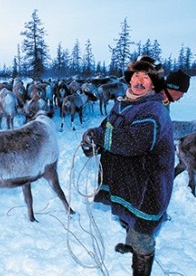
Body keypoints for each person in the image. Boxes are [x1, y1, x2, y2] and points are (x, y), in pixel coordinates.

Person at [81, 56, 174, 276]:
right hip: (129, 180)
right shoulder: (124, 103)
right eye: (136, 76)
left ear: (154, 84)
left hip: (148, 185)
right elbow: (109, 129)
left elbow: (134, 142)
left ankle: (141, 266)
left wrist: (102, 137)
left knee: (142, 232)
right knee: (128, 218)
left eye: (145, 78)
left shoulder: (154, 110)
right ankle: (130, 245)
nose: (139, 81)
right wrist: (92, 143)